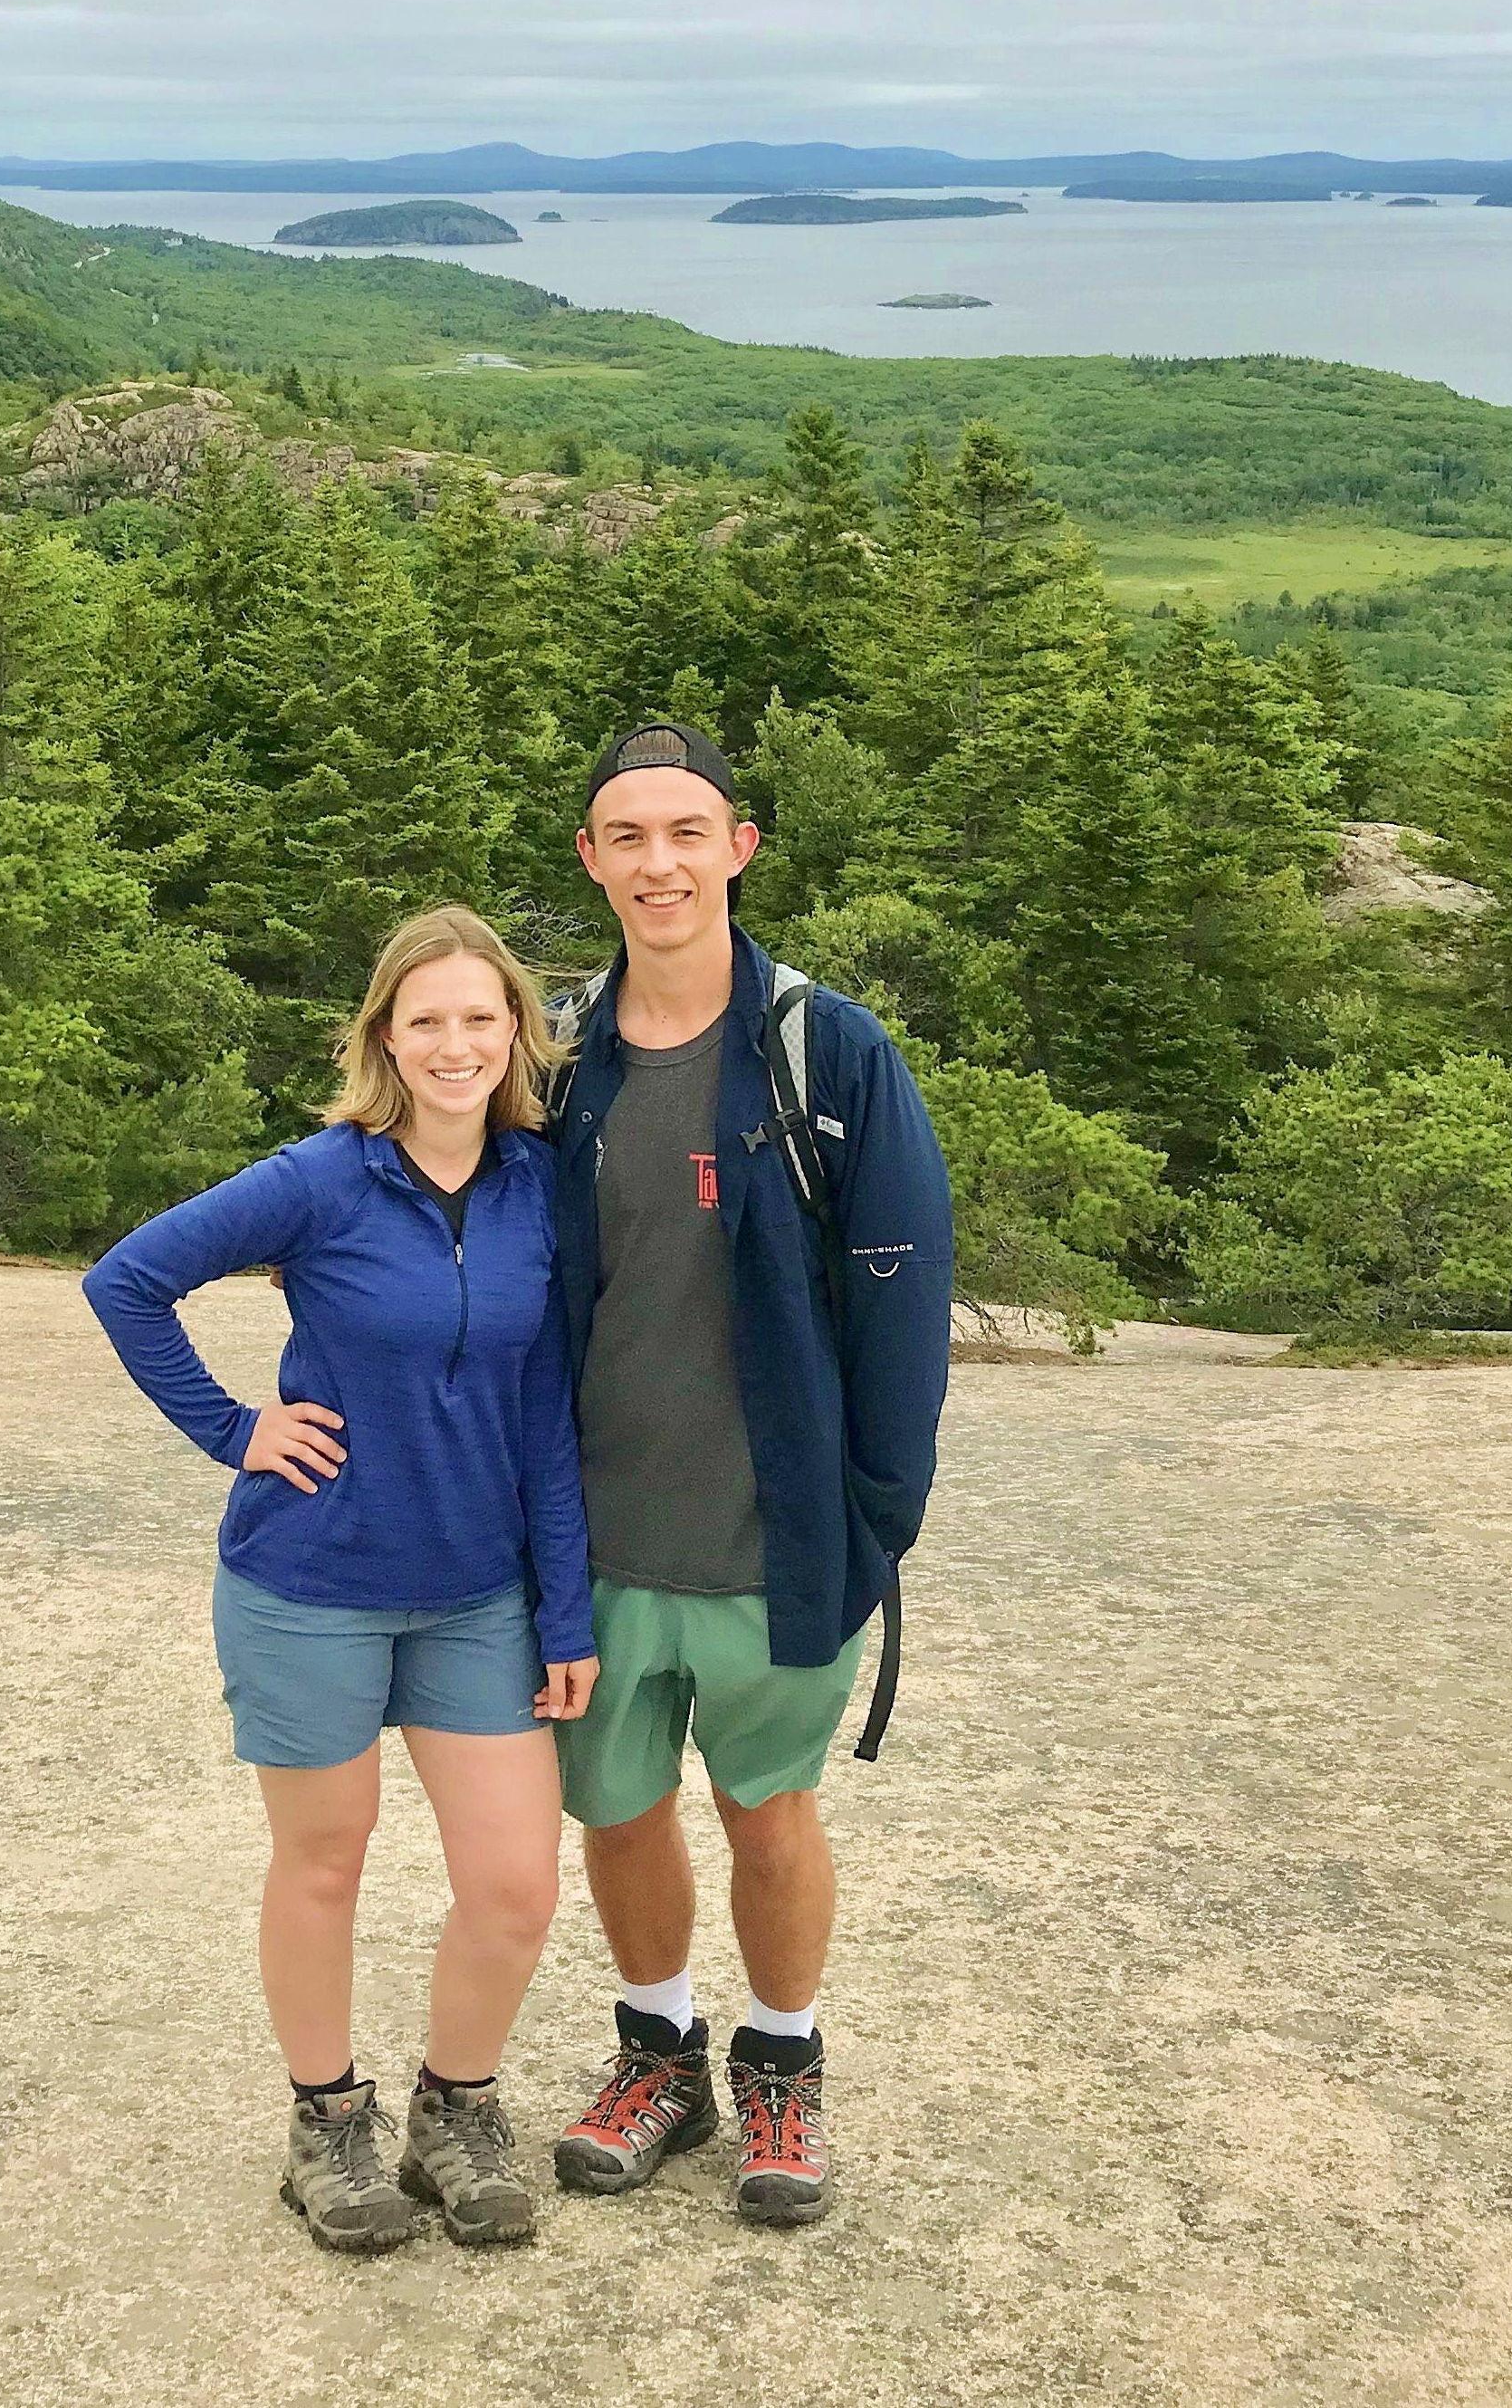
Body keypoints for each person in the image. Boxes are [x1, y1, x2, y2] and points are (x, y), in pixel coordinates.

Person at [84, 906, 599, 2257]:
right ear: (383, 1036)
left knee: (515, 1884)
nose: (455, 1044)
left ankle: (456, 2106)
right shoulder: (319, 1179)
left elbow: (548, 1412)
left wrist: (567, 1606)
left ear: (516, 1036)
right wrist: (235, 1428)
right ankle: (327, 2124)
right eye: (425, 1019)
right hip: (312, 1579)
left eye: (481, 1018)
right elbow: (129, 1281)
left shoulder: (543, 1186)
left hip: (479, 1593)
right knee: (325, 1859)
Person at [541, 720, 954, 2226]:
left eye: (686, 832)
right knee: (620, 1808)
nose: (660, 862)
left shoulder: (823, 1049)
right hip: (593, 1533)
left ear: (739, 848)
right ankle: (661, 2051)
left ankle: (781, 2069)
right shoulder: (557, 1051)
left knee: (766, 1808)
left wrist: (871, 1523)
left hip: (775, 1534)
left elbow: (905, 1304)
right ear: (592, 860)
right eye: (628, 838)